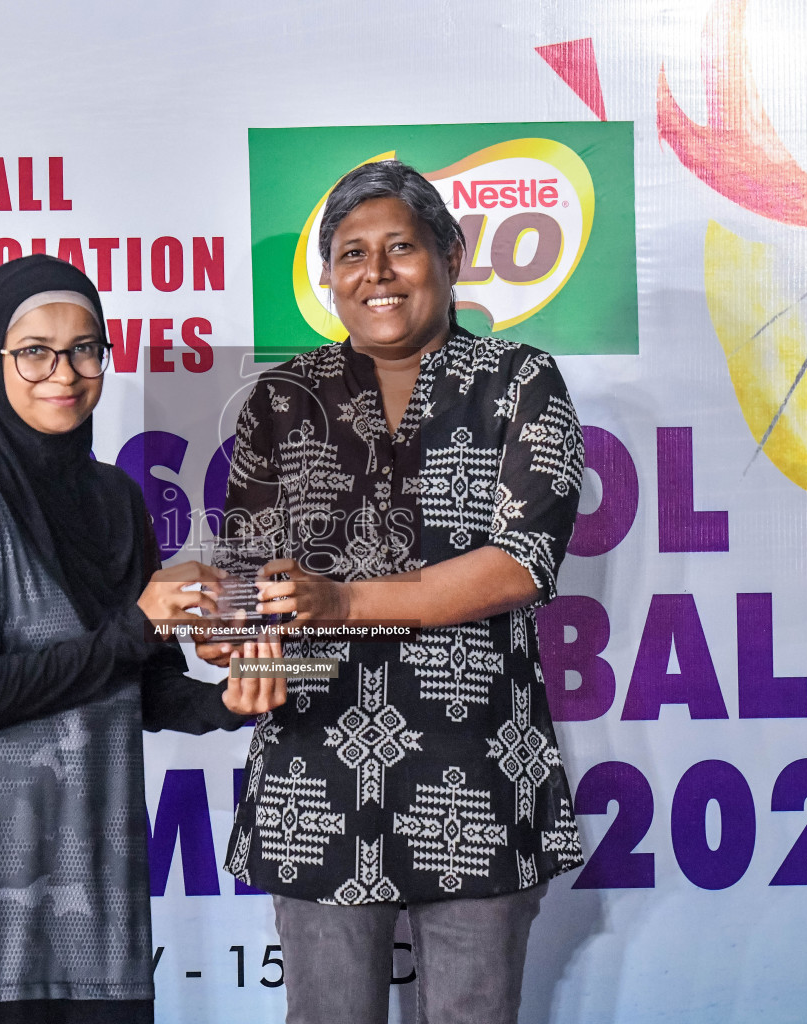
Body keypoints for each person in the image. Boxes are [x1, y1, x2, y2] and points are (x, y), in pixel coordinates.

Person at [206, 160, 587, 1024]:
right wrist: (228, 642)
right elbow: (243, 581)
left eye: (400, 248)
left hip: (477, 767)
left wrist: (340, 602)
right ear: (328, 279)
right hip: (314, 771)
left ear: (451, 255)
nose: (374, 274)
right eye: (350, 255)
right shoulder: (280, 399)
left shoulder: (521, 382)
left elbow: (520, 563)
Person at [0, 254, 286, 1024]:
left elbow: (144, 683)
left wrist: (226, 701)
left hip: (93, 909)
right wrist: (138, 625)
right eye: (34, 350)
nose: (63, 371)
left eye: (85, 347)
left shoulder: (115, 499)